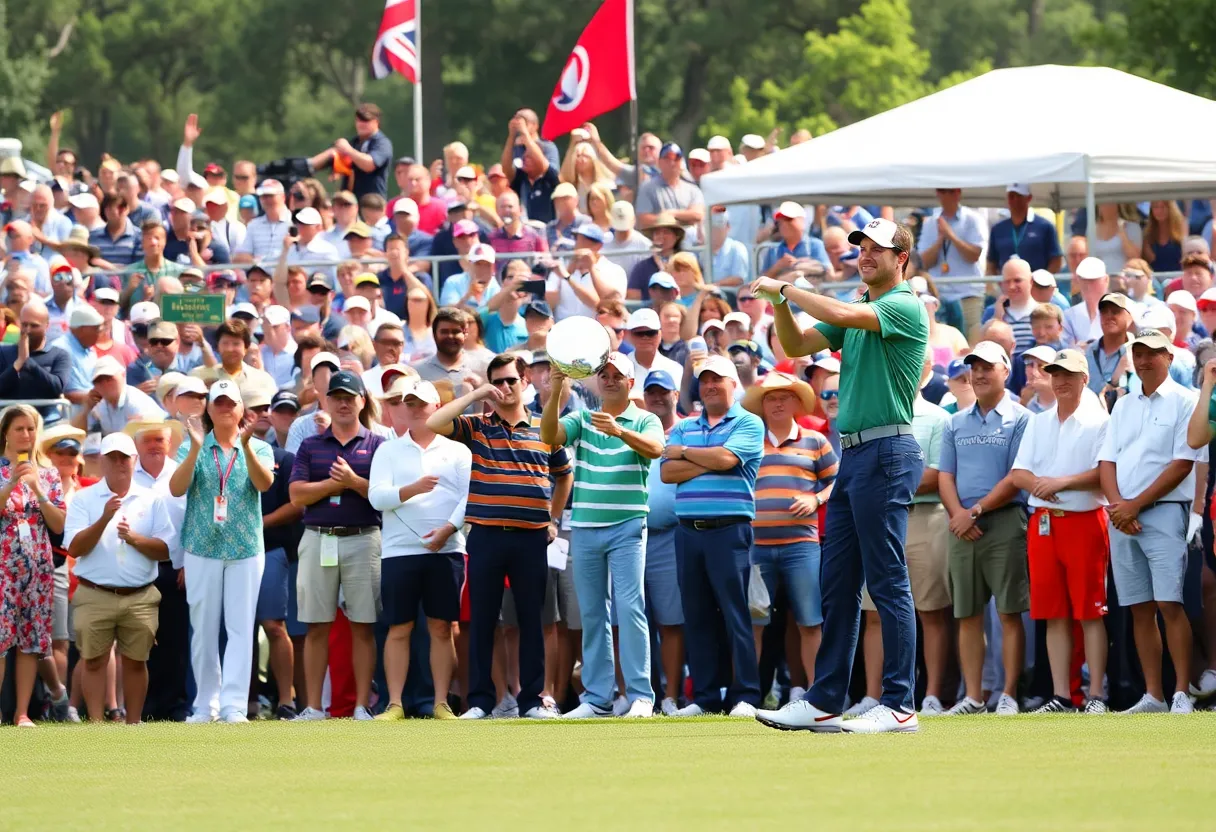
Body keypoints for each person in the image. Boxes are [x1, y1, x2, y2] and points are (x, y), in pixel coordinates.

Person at [751, 218, 928, 735]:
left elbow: (842, 313)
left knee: (887, 580)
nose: (866, 255)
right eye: (861, 247)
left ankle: (899, 704)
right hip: (854, 453)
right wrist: (780, 305)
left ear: (901, 258)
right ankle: (825, 700)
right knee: (839, 583)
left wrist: (787, 287)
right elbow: (797, 345)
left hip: (888, 449)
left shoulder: (903, 304)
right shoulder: (861, 305)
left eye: (877, 248)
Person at [426, 353, 573, 719]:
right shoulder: (478, 425)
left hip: (531, 538)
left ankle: (532, 701)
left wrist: (553, 519)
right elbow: (434, 421)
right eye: (498, 382)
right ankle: (480, 701)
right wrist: (478, 394)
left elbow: (564, 475)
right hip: (486, 535)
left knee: (531, 620)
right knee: (483, 620)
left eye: (511, 380)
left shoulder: (544, 427)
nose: (505, 387)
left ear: (525, 382)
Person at [540, 354, 664, 718]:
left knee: (630, 608)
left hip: (628, 525)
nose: (609, 380)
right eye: (604, 375)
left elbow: (655, 449)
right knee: (592, 612)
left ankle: (640, 696)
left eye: (617, 376)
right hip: (585, 526)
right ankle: (597, 699)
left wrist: (620, 431)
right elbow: (549, 436)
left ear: (630, 382)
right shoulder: (582, 418)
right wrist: (557, 390)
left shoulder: (645, 419)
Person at [1101, 328, 1204, 714]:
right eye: (1139, 353)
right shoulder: (1123, 404)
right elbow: (1107, 460)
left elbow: (1182, 464)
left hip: (1163, 512)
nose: (1144, 361)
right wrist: (1119, 507)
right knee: (1139, 607)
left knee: (1169, 603)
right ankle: (1154, 695)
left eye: (1152, 353)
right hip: (1122, 518)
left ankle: (1181, 692)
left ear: (1169, 358)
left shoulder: (1186, 401)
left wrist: (1134, 506)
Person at [657, 354, 763, 717]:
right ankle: (705, 698)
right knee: (697, 615)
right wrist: (709, 458)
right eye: (704, 380)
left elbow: (727, 460)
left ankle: (745, 695)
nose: (710, 386)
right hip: (688, 532)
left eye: (717, 379)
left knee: (735, 615)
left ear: (733, 384)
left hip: (729, 530)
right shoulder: (686, 425)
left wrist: (687, 454)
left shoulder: (748, 422)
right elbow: (668, 473)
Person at [1007, 349, 1111, 713]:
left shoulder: (1099, 421)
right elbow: (1019, 473)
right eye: (1056, 374)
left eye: (1068, 374)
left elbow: (1104, 472)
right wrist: (1043, 485)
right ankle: (1062, 695)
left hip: (1084, 521)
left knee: (1090, 612)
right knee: (1054, 613)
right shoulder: (1040, 421)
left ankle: (1095, 694)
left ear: (1085, 378)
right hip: (1044, 524)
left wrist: (1059, 483)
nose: (1061, 380)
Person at [170, 380, 275, 723]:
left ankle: (234, 706)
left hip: (245, 548)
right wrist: (196, 448)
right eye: (219, 402)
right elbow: (176, 488)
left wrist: (245, 448)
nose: (226, 407)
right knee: (203, 628)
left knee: (241, 628)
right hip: (202, 546)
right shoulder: (193, 446)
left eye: (232, 402)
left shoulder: (259, 447)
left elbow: (264, 484)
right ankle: (205, 705)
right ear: (209, 409)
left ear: (242, 409)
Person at [937, 341, 1031, 716]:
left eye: (987, 367)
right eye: (974, 368)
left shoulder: (1022, 418)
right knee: (967, 615)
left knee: (1008, 613)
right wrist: (958, 514)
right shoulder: (955, 421)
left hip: (1004, 521)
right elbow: (945, 476)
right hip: (961, 525)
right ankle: (974, 697)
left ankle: (1007, 694)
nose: (978, 374)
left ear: (1005, 371)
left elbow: (1016, 477)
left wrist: (973, 512)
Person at [369, 378, 471, 720]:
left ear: (437, 407)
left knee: (442, 628)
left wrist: (447, 530)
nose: (414, 409)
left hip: (447, 550)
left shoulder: (457, 450)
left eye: (421, 404)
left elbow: (468, 498)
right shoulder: (388, 450)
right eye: (409, 403)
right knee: (399, 628)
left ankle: (441, 702)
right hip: (399, 552)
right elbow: (377, 497)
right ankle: (395, 704)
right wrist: (412, 489)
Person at [287, 371, 384, 720]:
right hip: (319, 538)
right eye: (337, 397)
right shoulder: (310, 445)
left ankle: (361, 706)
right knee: (316, 625)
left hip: (363, 538)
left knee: (363, 624)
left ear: (362, 401)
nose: (343, 403)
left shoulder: (378, 445)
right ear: (327, 401)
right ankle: (314, 707)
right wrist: (333, 485)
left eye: (350, 397)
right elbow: (296, 495)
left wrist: (354, 481)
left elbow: (382, 496)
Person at [64, 432, 173, 724]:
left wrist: (134, 539)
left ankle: (133, 724)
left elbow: (166, 550)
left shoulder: (152, 499)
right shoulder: (84, 499)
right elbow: (75, 548)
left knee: (137, 662)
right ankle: (97, 725)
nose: (118, 463)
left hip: (140, 594)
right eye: (112, 458)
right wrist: (103, 518)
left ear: (134, 460)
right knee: (93, 660)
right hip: (94, 593)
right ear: (101, 461)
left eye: (124, 457)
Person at [743, 372, 838, 708]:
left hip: (802, 547)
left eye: (784, 397)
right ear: (762, 405)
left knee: (810, 621)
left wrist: (816, 498)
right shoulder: (750, 442)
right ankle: (747, 698)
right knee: (754, 624)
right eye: (771, 397)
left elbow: (837, 481)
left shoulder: (815, 441)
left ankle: (817, 697)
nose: (778, 403)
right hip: (757, 548)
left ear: (797, 403)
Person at [0, 404, 68, 727]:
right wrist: (11, 483)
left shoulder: (49, 474)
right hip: (3, 566)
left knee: (30, 640)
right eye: (19, 429)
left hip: (37, 567)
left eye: (30, 428)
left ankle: (22, 712)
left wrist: (38, 489)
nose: (26, 434)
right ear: (5, 433)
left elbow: (58, 524)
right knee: (0, 639)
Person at [917, 188, 989, 337]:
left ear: (958, 193)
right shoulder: (930, 223)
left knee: (970, 342)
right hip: (939, 296)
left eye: (950, 191)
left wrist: (951, 236)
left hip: (968, 295)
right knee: (940, 342)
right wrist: (939, 241)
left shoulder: (973, 219)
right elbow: (924, 262)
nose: (945, 195)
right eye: (942, 191)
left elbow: (973, 255)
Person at [0, 299, 71, 425]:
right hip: (7, 419)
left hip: (46, 419)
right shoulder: (3, 352)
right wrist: (18, 364)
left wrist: (29, 363)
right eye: (24, 325)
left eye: (34, 326)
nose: (28, 330)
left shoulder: (59, 355)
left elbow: (56, 388)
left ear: (46, 326)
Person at [307, 103, 393, 199]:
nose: (361, 124)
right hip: (348, 201)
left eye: (366, 120)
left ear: (376, 122)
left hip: (372, 202)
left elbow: (370, 164)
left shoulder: (381, 143)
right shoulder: (354, 142)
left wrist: (348, 150)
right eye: (359, 120)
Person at [72, 356, 165, 435]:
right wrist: (86, 408)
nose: (105, 384)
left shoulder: (135, 402)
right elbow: (76, 434)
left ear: (123, 375)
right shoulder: (100, 405)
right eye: (99, 381)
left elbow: (153, 435)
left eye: (109, 379)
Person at [985, 184, 1063, 274]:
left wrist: (1043, 280)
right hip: (1007, 281)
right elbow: (991, 262)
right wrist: (996, 281)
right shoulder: (997, 229)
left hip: (1035, 281)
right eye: (1011, 196)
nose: (1015, 200)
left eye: (1019, 196)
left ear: (1029, 198)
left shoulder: (1045, 226)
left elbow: (1056, 259)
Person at [760, 202, 830, 277]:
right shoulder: (773, 250)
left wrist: (797, 265)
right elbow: (762, 279)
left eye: (789, 219)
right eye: (779, 222)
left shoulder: (815, 245)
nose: (784, 224)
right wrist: (777, 267)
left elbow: (827, 274)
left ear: (802, 221)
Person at [1063, 257, 1112, 347]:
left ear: (1106, 280)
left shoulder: (1121, 310)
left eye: (1093, 280)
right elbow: (1066, 347)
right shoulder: (1070, 315)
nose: (1088, 285)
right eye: (1084, 280)